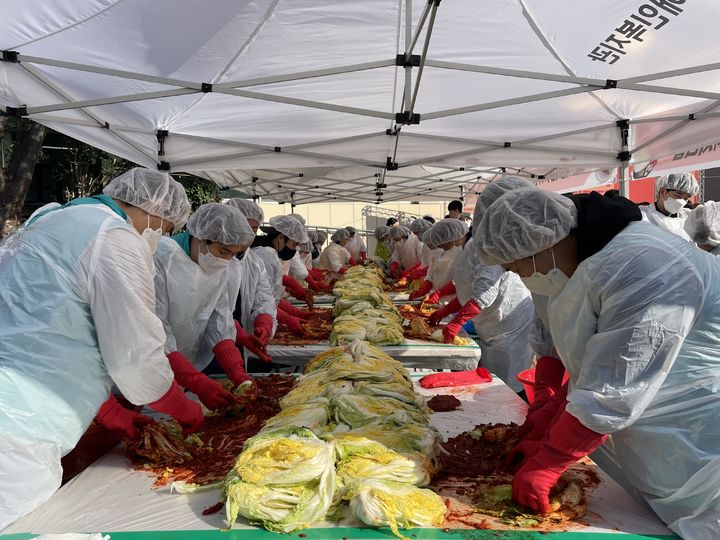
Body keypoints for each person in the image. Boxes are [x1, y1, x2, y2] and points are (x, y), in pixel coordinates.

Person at [475, 187, 720, 537]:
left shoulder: (643, 266)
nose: (520, 276)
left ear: (542, 244)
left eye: (517, 267)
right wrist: (550, 417)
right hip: (659, 444)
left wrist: (549, 461)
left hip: (700, 445)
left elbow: (615, 386)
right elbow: (596, 364)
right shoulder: (592, 261)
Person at [0, 168, 204, 530]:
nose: (162, 236)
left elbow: (55, 334)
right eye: (168, 228)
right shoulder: (115, 239)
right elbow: (135, 357)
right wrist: (181, 406)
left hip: (17, 403)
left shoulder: (53, 219)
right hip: (18, 427)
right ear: (156, 211)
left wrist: (111, 411)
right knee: (18, 522)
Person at [154, 203, 255, 412]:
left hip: (182, 366)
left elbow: (219, 317)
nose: (226, 259)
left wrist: (236, 370)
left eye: (233, 254)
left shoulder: (219, 267)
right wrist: (194, 380)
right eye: (223, 251)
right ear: (200, 237)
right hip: (146, 367)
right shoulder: (161, 258)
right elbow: (154, 329)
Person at [223, 199, 277, 366]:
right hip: (201, 347)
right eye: (243, 227)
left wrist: (264, 321)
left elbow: (264, 298)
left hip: (238, 341)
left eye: (253, 230)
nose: (248, 234)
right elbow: (208, 308)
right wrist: (232, 330)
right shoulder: (210, 258)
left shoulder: (254, 263)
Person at [251, 215, 311, 336]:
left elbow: (269, 295)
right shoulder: (265, 255)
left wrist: (290, 312)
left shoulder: (268, 253)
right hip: (257, 322)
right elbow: (260, 298)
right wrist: (288, 319)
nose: (293, 250)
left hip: (262, 318)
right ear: (281, 237)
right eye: (293, 245)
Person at [409, 219, 467, 302]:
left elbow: (460, 281)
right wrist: (423, 289)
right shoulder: (436, 253)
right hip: (440, 298)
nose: (431, 248)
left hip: (455, 298)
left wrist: (440, 293)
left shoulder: (460, 252)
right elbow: (431, 274)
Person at [639, 173, 699, 241]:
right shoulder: (643, 215)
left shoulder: (688, 217)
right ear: (663, 192)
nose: (681, 202)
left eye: (686, 199)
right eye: (678, 196)